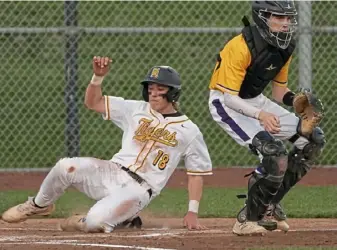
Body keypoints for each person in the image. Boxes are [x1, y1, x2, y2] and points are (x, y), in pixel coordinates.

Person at [2, 56, 213, 233]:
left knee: (96, 223)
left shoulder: (189, 131)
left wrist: (192, 212)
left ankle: (103, 220)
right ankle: (38, 205)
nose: (153, 93)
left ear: (173, 92)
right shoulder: (135, 109)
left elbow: (196, 173)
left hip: (138, 190)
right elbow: (93, 102)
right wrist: (97, 78)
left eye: (160, 89)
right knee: (65, 166)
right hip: (112, 171)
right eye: (150, 88)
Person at [208, 1, 325, 236]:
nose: (286, 23)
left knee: (312, 139)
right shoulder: (241, 46)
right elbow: (230, 98)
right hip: (226, 103)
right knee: (273, 151)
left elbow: (279, 92)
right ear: (263, 17)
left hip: (255, 99)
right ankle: (247, 219)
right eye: (279, 18)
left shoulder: (284, 47)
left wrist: (297, 102)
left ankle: (269, 205)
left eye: (289, 18)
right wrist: (261, 115)